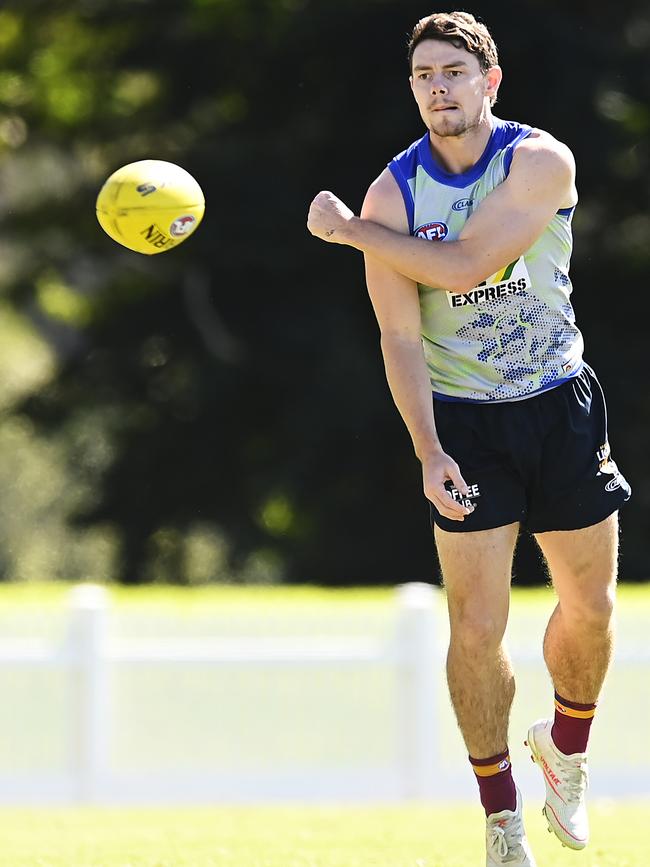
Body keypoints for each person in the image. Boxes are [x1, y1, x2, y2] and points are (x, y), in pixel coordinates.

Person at [307, 10, 631, 867]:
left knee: (592, 606)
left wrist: (346, 232)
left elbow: (462, 269)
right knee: (476, 624)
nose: (438, 88)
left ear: (490, 81)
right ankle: (500, 816)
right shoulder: (395, 194)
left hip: (559, 399)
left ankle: (567, 747)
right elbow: (402, 337)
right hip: (467, 422)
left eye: (454, 72)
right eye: (423, 76)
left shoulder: (538, 161)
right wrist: (428, 449)